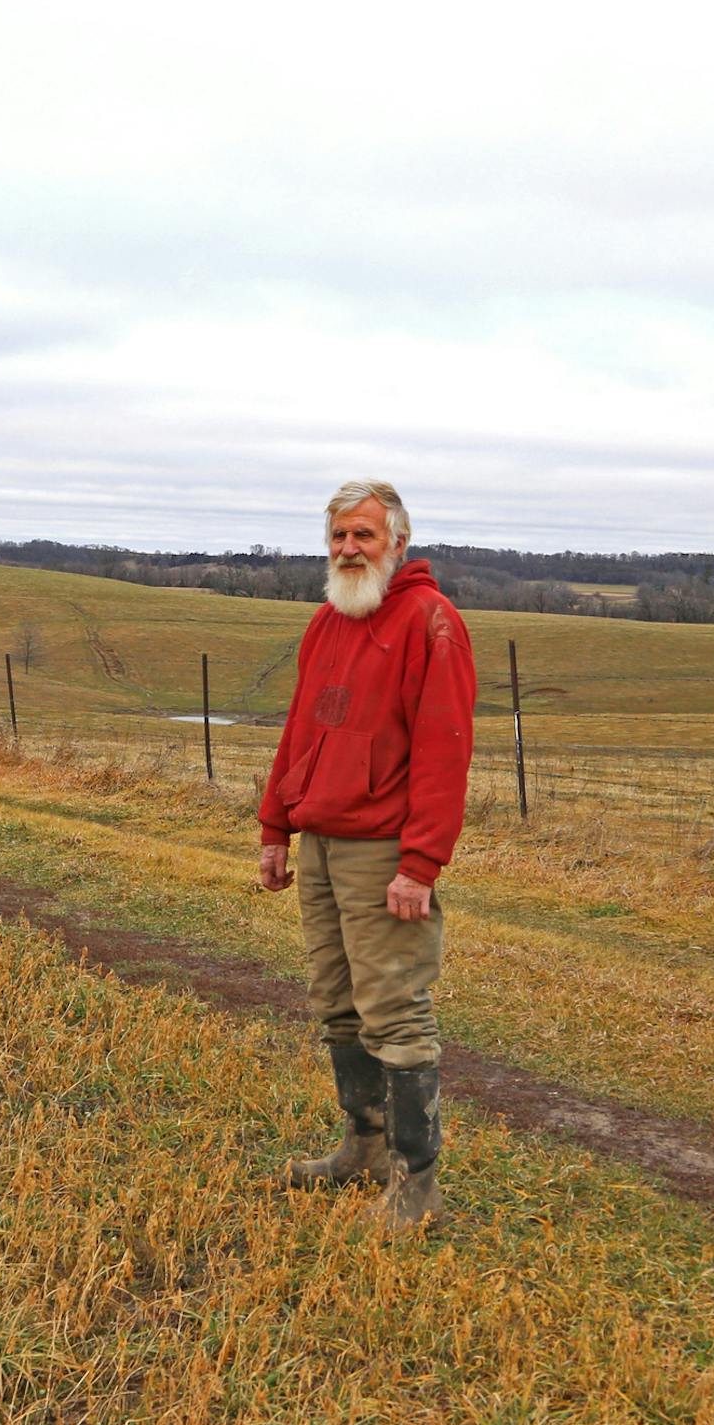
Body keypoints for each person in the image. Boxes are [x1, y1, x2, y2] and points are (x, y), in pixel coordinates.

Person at [258, 480, 477, 1233]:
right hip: (320, 841)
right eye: (339, 537)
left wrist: (420, 864)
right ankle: (365, 1148)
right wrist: (275, 826)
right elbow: (300, 731)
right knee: (336, 1003)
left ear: (398, 544)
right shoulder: (328, 621)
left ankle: (417, 1188)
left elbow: (446, 752)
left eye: (364, 536)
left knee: (395, 1012)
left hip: (383, 850)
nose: (349, 549)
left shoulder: (431, 622)